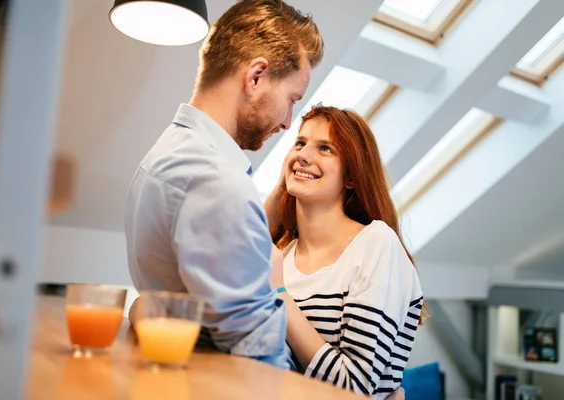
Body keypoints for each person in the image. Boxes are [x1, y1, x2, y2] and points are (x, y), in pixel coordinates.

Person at [125, 0, 323, 369]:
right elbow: (259, 359)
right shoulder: (217, 181)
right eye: (292, 99)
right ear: (256, 77)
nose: (286, 122)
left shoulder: (165, 152)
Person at [265, 105, 425, 397]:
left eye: (325, 148)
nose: (303, 154)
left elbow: (355, 388)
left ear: (351, 178)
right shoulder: (281, 258)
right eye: (300, 143)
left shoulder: (376, 245)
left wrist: (279, 295)